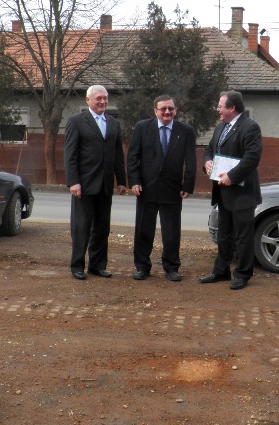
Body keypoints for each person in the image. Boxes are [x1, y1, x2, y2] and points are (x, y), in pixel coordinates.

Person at [127, 95, 197, 281]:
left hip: (173, 189)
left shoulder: (185, 131)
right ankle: (142, 267)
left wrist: (188, 184)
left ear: (175, 110)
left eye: (171, 109)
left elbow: (191, 160)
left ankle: (172, 267)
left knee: (171, 232)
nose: (167, 112)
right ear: (155, 111)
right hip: (146, 189)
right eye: (163, 109)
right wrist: (134, 181)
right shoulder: (142, 127)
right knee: (143, 230)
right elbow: (133, 157)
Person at [64, 85, 127, 280]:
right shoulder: (76, 121)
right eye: (98, 98)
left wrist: (121, 180)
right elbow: (70, 155)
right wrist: (73, 182)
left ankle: (97, 266)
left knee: (102, 228)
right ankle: (77, 266)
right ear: (88, 100)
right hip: (84, 185)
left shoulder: (114, 123)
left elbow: (118, 154)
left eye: (105, 98)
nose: (102, 101)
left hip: (105, 185)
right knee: (81, 227)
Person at [201, 90, 262, 290]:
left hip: (242, 193)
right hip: (222, 192)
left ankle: (242, 274)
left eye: (220, 106)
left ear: (232, 108)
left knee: (243, 236)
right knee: (224, 234)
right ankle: (221, 271)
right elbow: (210, 149)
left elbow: (252, 157)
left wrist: (232, 176)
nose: (217, 109)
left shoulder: (250, 127)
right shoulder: (220, 127)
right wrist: (207, 162)